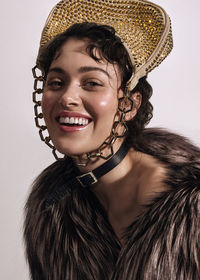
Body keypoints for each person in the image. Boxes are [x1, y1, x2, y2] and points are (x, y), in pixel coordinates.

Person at [24, 0, 200, 279]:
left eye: (92, 83)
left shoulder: (192, 205)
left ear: (129, 105)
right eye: (56, 83)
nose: (67, 97)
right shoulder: (51, 206)